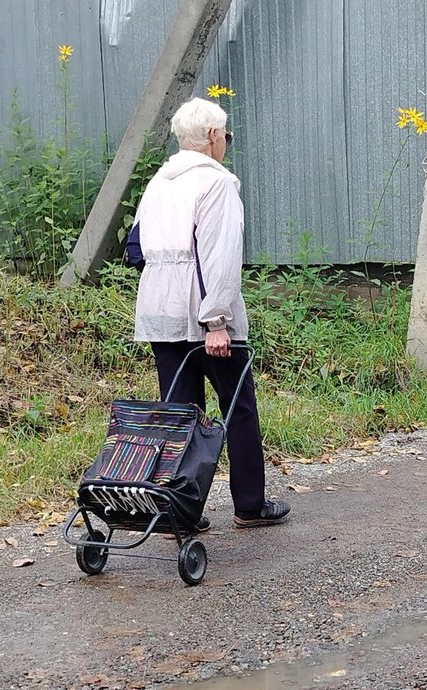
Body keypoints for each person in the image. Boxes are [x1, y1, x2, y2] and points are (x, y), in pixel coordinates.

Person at [125, 97, 290, 529]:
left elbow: (135, 247)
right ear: (213, 137)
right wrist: (215, 320)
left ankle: (179, 512)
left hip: (159, 311)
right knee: (238, 408)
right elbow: (219, 255)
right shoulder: (216, 184)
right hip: (205, 315)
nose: (226, 143)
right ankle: (250, 505)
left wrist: (165, 281)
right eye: (226, 136)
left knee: (180, 414)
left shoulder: (159, 181)